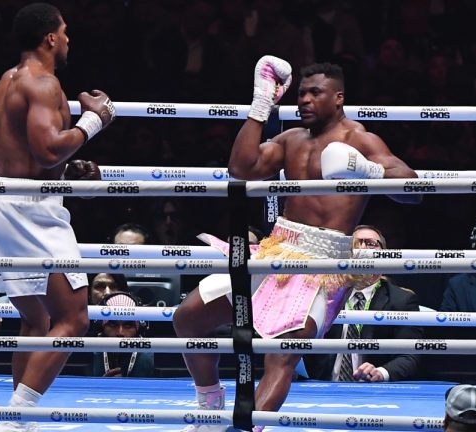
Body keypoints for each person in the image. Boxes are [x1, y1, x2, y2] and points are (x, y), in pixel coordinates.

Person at [172, 58, 420, 426]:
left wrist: (370, 171)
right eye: (301, 93)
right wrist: (261, 106)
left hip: (324, 263)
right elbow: (241, 169)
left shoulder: (361, 140)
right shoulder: (290, 139)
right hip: (276, 249)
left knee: (283, 353)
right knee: (188, 317)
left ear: (338, 98)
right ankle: (209, 401)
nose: (304, 100)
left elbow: (413, 189)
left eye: (314, 93)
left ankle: (247, 427)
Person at [0, 3, 115, 431]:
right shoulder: (44, 84)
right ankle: (17, 418)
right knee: (74, 318)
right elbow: (47, 149)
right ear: (50, 38)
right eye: (65, 31)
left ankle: (21, 420)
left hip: (1, 201)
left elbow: (30, 155)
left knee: (36, 319)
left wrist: (66, 171)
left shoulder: (5, 83)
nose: (69, 39)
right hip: (29, 210)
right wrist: (95, 120)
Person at [303, 225, 422, 382]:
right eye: (356, 244)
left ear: (384, 256)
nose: (363, 249)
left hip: (373, 390)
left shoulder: (401, 300)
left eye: (371, 244)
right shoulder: (322, 295)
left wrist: (381, 372)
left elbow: (410, 355)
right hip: (320, 385)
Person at [91, 292, 154, 378]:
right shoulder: (88, 351)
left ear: (138, 328)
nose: (120, 333)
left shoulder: (150, 356)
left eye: (128, 325)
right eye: (112, 324)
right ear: (101, 326)